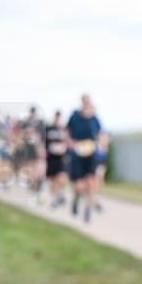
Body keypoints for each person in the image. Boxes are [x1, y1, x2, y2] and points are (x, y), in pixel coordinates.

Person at [67, 95, 103, 223]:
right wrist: (70, 142)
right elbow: (67, 131)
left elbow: (100, 134)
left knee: (91, 181)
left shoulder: (94, 118)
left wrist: (100, 146)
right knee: (79, 186)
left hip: (91, 154)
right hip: (77, 154)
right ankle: (76, 199)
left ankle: (88, 209)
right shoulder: (74, 116)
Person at [45, 110, 69, 209]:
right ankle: (54, 199)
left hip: (60, 158)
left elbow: (67, 143)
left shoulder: (63, 130)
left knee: (62, 177)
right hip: (50, 158)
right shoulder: (48, 129)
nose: (58, 120)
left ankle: (61, 194)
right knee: (52, 180)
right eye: (57, 118)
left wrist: (66, 153)